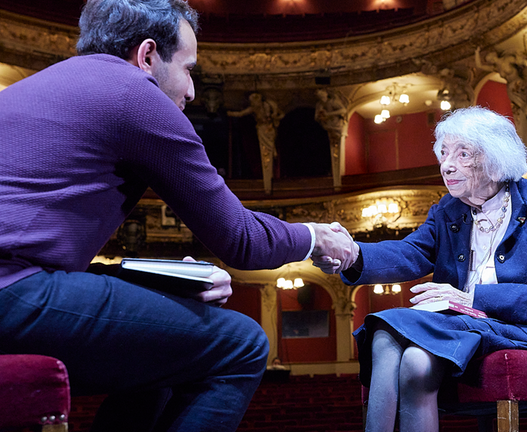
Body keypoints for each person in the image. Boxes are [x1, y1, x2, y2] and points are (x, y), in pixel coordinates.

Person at [0, 1, 355, 431]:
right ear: (147, 56)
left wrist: (163, 283)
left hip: (18, 285)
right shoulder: (134, 93)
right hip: (15, 293)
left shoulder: (39, 85)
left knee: (163, 350)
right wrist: (314, 236)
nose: (191, 91)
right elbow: (239, 239)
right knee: (241, 344)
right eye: (189, 70)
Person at [313, 106, 527, 432]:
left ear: (495, 157)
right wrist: (354, 254)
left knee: (385, 325)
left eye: (462, 154)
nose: (446, 165)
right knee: (413, 361)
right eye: (443, 154)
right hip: (465, 326)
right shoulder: (448, 209)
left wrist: (472, 299)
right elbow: (411, 251)